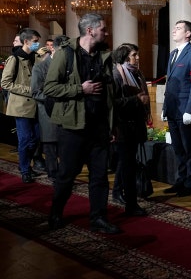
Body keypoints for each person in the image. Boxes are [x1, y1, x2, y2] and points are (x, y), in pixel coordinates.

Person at [43, 13, 121, 234]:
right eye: (103, 29)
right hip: (72, 127)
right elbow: (49, 88)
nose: (106, 33)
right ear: (90, 30)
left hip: (98, 127)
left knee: (100, 177)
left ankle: (98, 218)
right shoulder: (65, 54)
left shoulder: (103, 56)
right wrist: (80, 89)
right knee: (67, 174)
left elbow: (109, 96)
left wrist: (111, 125)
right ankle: (56, 213)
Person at [162, 20, 191, 197]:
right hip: (172, 109)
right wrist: (165, 108)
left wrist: (190, 110)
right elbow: (169, 84)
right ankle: (182, 179)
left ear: (188, 34)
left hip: (185, 109)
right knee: (177, 148)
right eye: (174, 27)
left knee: (189, 148)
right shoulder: (173, 54)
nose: (174, 30)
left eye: (178, 28)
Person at [111, 43, 149, 216]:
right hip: (122, 126)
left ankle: (120, 192)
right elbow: (113, 103)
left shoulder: (138, 74)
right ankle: (130, 202)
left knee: (128, 162)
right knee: (126, 163)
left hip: (136, 125)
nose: (138, 57)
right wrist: (137, 100)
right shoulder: (116, 74)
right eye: (134, 54)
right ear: (125, 57)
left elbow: (144, 96)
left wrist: (146, 111)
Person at [0, 28, 42, 183]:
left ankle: (25, 165)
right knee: (25, 139)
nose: (37, 44)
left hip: (36, 106)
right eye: (35, 42)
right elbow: (5, 83)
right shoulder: (14, 59)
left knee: (36, 138)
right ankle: (25, 169)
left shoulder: (36, 57)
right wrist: (29, 90)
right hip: (21, 106)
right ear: (26, 41)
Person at [31, 35, 69, 181]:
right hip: (47, 111)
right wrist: (54, 97)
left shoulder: (67, 66)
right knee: (50, 145)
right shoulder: (40, 67)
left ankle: (64, 174)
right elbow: (35, 91)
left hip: (65, 111)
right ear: (54, 49)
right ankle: (53, 174)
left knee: (65, 145)